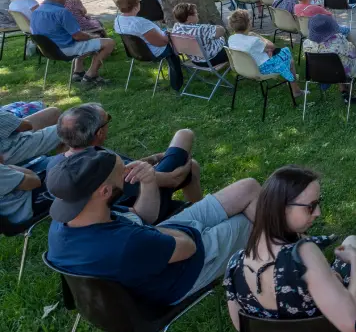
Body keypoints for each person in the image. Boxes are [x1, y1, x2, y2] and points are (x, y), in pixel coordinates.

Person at [46, 148, 261, 306]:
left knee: (248, 187)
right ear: (104, 192)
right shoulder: (126, 242)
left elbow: (141, 218)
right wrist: (157, 233)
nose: (127, 177)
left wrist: (149, 181)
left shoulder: (70, 219)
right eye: (123, 174)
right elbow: (187, 247)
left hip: (159, 247)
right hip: (183, 270)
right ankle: (281, 268)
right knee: (250, 220)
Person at [224, 166, 356, 332]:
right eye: (311, 206)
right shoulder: (303, 254)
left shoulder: (234, 266)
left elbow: (242, 328)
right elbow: (352, 322)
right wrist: (355, 259)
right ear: (283, 209)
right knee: (351, 242)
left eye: (318, 203)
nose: (318, 212)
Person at [51, 104, 202, 224]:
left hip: (105, 209)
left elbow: (128, 167)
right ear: (99, 133)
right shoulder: (105, 165)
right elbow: (172, 179)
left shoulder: (59, 166)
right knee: (184, 135)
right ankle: (201, 215)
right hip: (144, 205)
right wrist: (185, 160)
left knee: (192, 168)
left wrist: (156, 157)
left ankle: (198, 211)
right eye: (107, 119)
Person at [31, 0, 115, 84]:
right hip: (65, 49)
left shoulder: (36, 11)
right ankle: (91, 75)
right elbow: (78, 36)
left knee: (87, 42)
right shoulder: (62, 12)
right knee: (109, 43)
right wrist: (93, 36)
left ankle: (78, 72)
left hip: (47, 50)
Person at [113, 0, 184, 91]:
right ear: (135, 6)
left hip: (135, 52)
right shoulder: (141, 23)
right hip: (153, 52)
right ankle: (177, 84)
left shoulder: (118, 20)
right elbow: (162, 42)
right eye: (139, 2)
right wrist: (169, 36)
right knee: (174, 49)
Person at [228, 10, 303, 97]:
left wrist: (267, 50)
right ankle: (296, 90)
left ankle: (289, 76)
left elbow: (259, 49)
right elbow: (272, 46)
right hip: (261, 69)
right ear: (248, 24)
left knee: (277, 54)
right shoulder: (254, 40)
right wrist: (257, 36)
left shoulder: (231, 39)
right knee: (287, 55)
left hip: (242, 68)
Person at [302, 14, 356, 104]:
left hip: (317, 73)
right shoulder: (339, 39)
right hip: (340, 73)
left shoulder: (306, 43)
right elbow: (352, 52)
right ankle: (348, 92)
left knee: (336, 62)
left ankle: (343, 90)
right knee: (349, 61)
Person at [0, 158, 50, 227]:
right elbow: (35, 182)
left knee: (49, 160)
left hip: (11, 209)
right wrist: (9, 167)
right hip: (26, 204)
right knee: (62, 161)